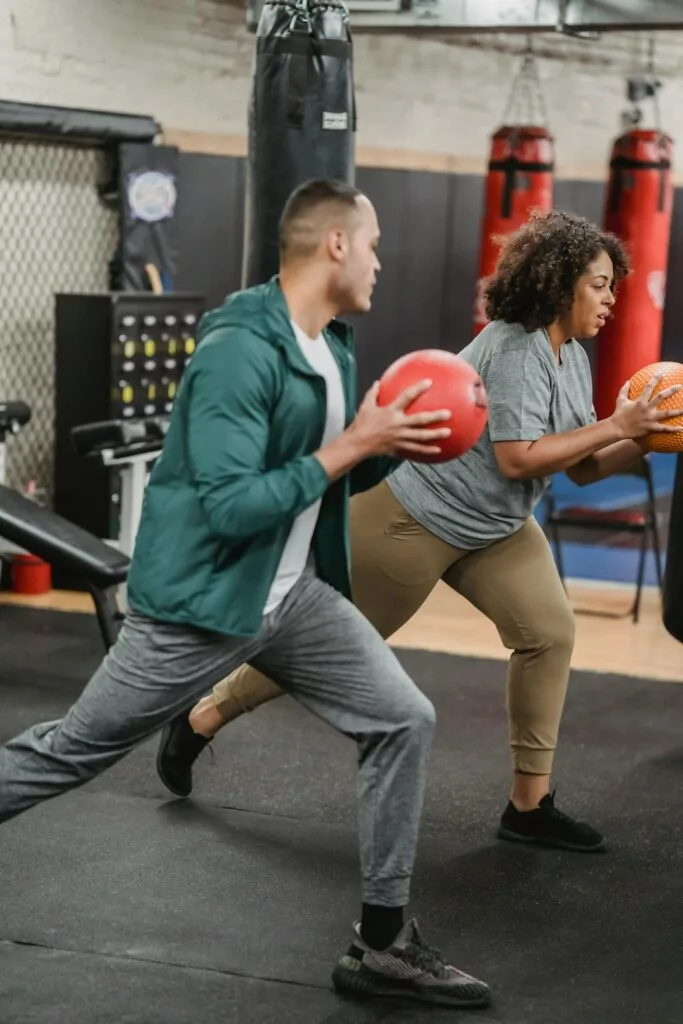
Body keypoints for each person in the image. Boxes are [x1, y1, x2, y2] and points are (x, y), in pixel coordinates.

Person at [0, 179, 493, 1010]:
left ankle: (381, 946)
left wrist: (397, 442)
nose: (381, 261)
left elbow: (326, 474)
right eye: (373, 244)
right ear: (334, 243)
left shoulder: (330, 344)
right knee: (71, 752)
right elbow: (232, 506)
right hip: (201, 605)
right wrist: (354, 445)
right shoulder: (239, 348)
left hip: (292, 597)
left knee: (401, 718)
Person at [158, 208, 683, 854]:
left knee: (548, 633)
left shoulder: (569, 357)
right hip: (414, 518)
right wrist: (618, 426)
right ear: (560, 283)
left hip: (495, 527)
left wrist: (653, 440)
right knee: (320, 650)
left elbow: (581, 466)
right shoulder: (516, 345)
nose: (610, 299)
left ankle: (528, 805)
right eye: (600, 284)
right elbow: (518, 456)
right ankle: (201, 716)